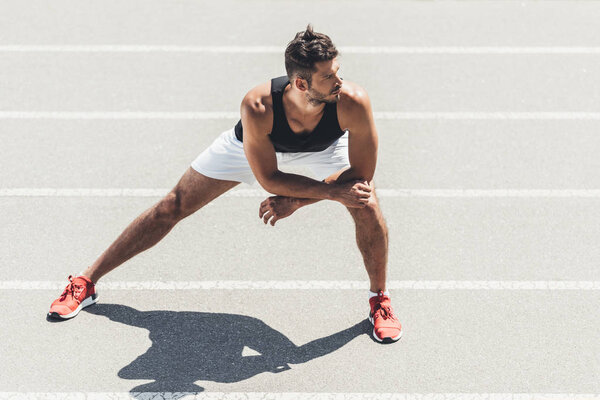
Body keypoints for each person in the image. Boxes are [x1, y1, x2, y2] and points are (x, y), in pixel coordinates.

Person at [48, 24, 402, 343]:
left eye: (338, 71)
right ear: (300, 84)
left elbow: (360, 176)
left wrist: (298, 201)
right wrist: (318, 193)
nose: (340, 81)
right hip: (255, 149)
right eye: (329, 76)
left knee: (365, 202)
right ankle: (86, 282)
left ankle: (379, 299)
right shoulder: (258, 106)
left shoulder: (352, 102)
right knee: (172, 206)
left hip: (324, 149)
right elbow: (270, 178)